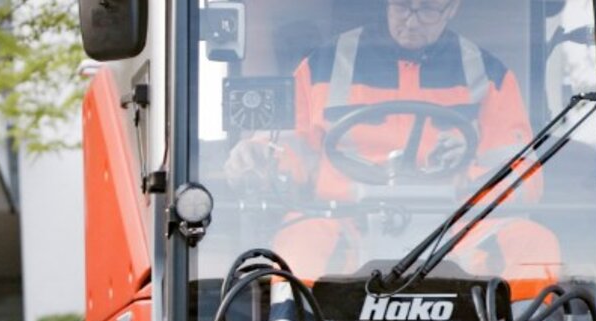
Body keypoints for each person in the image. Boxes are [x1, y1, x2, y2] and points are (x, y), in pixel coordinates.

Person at [224, 0, 560, 297]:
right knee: (297, 246)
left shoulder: (489, 75)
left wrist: (468, 175)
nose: (411, 20)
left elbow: (522, 172)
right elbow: (292, 146)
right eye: (402, 6)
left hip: (455, 230)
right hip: (345, 221)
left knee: (533, 245)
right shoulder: (322, 67)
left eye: (427, 9)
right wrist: (260, 160)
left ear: (452, 7)